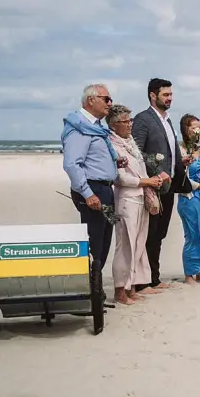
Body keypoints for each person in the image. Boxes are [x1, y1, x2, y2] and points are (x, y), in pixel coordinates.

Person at [62, 84, 119, 298]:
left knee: (104, 241)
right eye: (106, 99)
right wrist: (88, 194)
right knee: (95, 241)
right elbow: (72, 165)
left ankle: (95, 286)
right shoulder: (80, 126)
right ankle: (91, 289)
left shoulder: (95, 126)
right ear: (91, 100)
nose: (110, 103)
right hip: (94, 189)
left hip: (106, 188)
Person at [107, 104, 162, 304]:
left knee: (139, 242)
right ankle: (120, 289)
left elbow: (140, 168)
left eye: (130, 120)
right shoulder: (111, 145)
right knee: (125, 245)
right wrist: (147, 182)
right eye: (125, 121)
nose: (130, 125)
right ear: (113, 125)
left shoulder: (130, 142)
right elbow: (120, 178)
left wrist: (150, 182)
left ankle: (133, 285)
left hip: (140, 196)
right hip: (126, 198)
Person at [131, 78, 181, 292]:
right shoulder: (143, 119)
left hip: (168, 187)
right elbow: (136, 151)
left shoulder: (167, 119)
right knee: (149, 233)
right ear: (153, 95)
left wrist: (180, 163)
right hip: (152, 186)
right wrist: (154, 172)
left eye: (170, 94)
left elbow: (170, 150)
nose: (170, 98)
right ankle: (142, 281)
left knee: (159, 234)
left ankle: (154, 277)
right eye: (165, 95)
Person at [176, 115, 200, 283]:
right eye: (193, 127)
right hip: (190, 196)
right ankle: (189, 272)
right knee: (193, 234)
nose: (197, 131)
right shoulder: (180, 150)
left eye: (199, 127)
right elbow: (180, 177)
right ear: (186, 129)